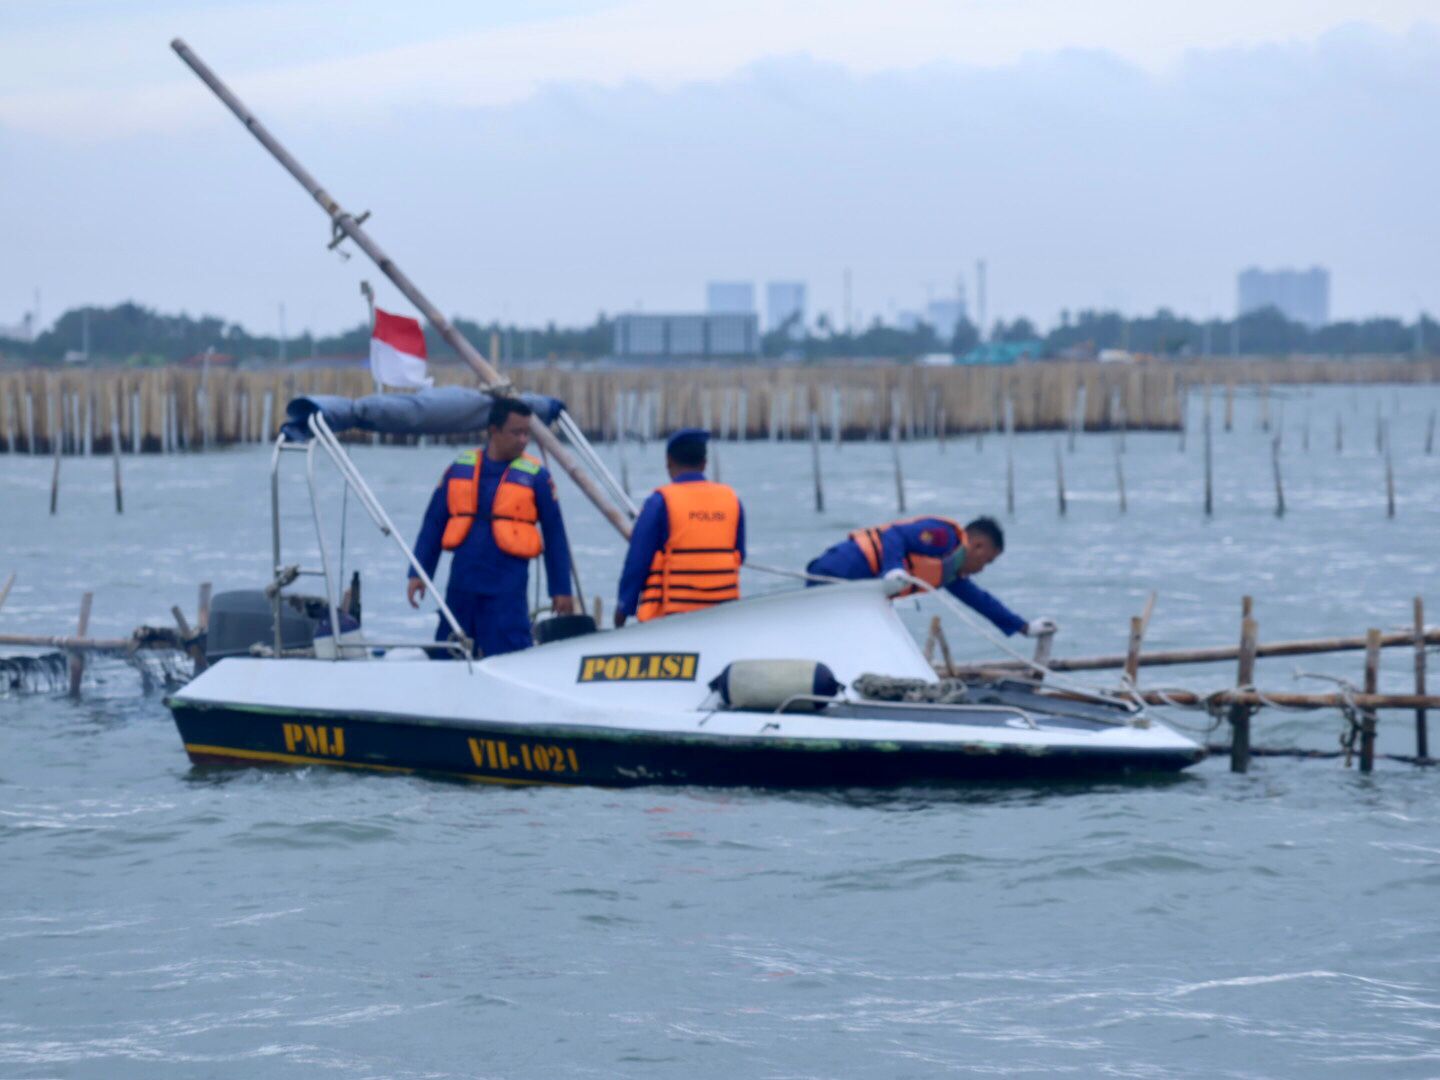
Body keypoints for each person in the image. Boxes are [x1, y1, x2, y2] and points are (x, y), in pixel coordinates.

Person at [406, 398, 575, 657]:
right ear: (493, 431)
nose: (523, 440)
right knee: (448, 652)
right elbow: (433, 523)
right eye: (516, 432)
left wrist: (561, 589)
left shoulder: (537, 477)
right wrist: (418, 573)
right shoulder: (459, 469)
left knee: (511, 654)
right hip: (461, 588)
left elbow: (555, 535)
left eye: (527, 433)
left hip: (506, 592)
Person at [804, 515, 1055, 638]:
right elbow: (895, 535)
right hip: (838, 568)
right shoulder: (944, 537)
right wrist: (893, 568)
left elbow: (980, 601)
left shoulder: (950, 572)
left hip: (857, 591)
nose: (982, 569)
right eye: (986, 561)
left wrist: (1024, 627)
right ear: (977, 546)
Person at [614, 428, 745, 627]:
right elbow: (740, 554)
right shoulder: (731, 500)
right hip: (723, 614)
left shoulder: (659, 502)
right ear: (704, 463)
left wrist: (623, 609)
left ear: (668, 461)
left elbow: (637, 562)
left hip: (671, 617)